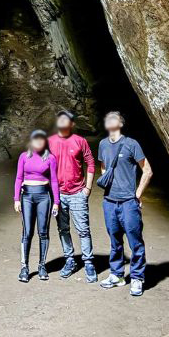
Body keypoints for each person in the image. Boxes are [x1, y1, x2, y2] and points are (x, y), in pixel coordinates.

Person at [97, 111, 153, 296]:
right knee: (115, 241)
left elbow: (147, 170)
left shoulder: (131, 144)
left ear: (120, 123)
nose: (109, 119)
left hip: (128, 202)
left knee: (135, 242)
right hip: (109, 201)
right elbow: (104, 168)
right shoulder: (103, 144)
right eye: (107, 117)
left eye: (113, 117)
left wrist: (137, 194)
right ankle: (117, 275)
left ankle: (137, 278)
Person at [48, 109, 97, 282]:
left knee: (83, 230)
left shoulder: (80, 141)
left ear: (72, 123)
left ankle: (88, 262)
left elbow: (91, 163)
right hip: (58, 195)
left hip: (77, 193)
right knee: (63, 229)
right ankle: (69, 260)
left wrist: (87, 189)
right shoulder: (50, 142)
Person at [14, 129, 60, 282]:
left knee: (43, 232)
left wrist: (56, 202)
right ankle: (24, 268)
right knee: (27, 232)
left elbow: (54, 180)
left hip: (44, 197)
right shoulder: (24, 156)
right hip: (27, 196)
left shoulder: (50, 158)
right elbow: (19, 178)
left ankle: (42, 266)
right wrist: (16, 199)